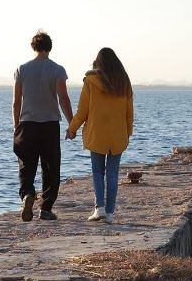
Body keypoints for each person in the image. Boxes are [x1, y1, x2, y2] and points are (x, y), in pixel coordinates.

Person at [66, 48, 133, 224]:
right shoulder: (124, 81)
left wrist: (72, 128)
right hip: (118, 134)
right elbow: (129, 112)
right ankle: (110, 214)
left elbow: (82, 111)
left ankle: (99, 208)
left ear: (98, 63)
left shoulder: (90, 81)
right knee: (112, 173)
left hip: (97, 133)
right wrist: (128, 133)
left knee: (97, 171)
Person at [13, 31, 73, 221]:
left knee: (26, 164)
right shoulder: (57, 70)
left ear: (34, 47)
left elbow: (16, 102)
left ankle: (28, 194)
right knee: (51, 167)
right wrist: (72, 123)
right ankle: (46, 208)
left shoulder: (22, 70)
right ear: (49, 47)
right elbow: (63, 98)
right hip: (49, 125)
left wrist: (16, 126)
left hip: (27, 124)